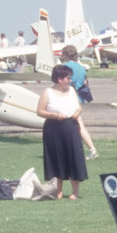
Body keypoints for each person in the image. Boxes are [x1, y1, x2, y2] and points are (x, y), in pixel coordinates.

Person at [37, 64, 88, 199]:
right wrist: (55, 115)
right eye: (67, 78)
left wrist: (78, 112)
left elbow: (79, 107)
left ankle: (74, 192)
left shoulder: (71, 90)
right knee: (56, 158)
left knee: (74, 156)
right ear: (59, 79)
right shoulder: (47, 92)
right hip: (54, 128)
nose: (70, 80)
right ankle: (58, 191)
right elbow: (40, 111)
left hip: (70, 126)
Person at [58, 45, 99, 159]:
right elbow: (84, 82)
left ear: (66, 54)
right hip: (79, 99)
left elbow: (63, 84)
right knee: (76, 125)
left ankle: (91, 150)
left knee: (76, 126)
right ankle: (85, 150)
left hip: (69, 98)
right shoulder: (81, 67)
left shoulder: (65, 67)